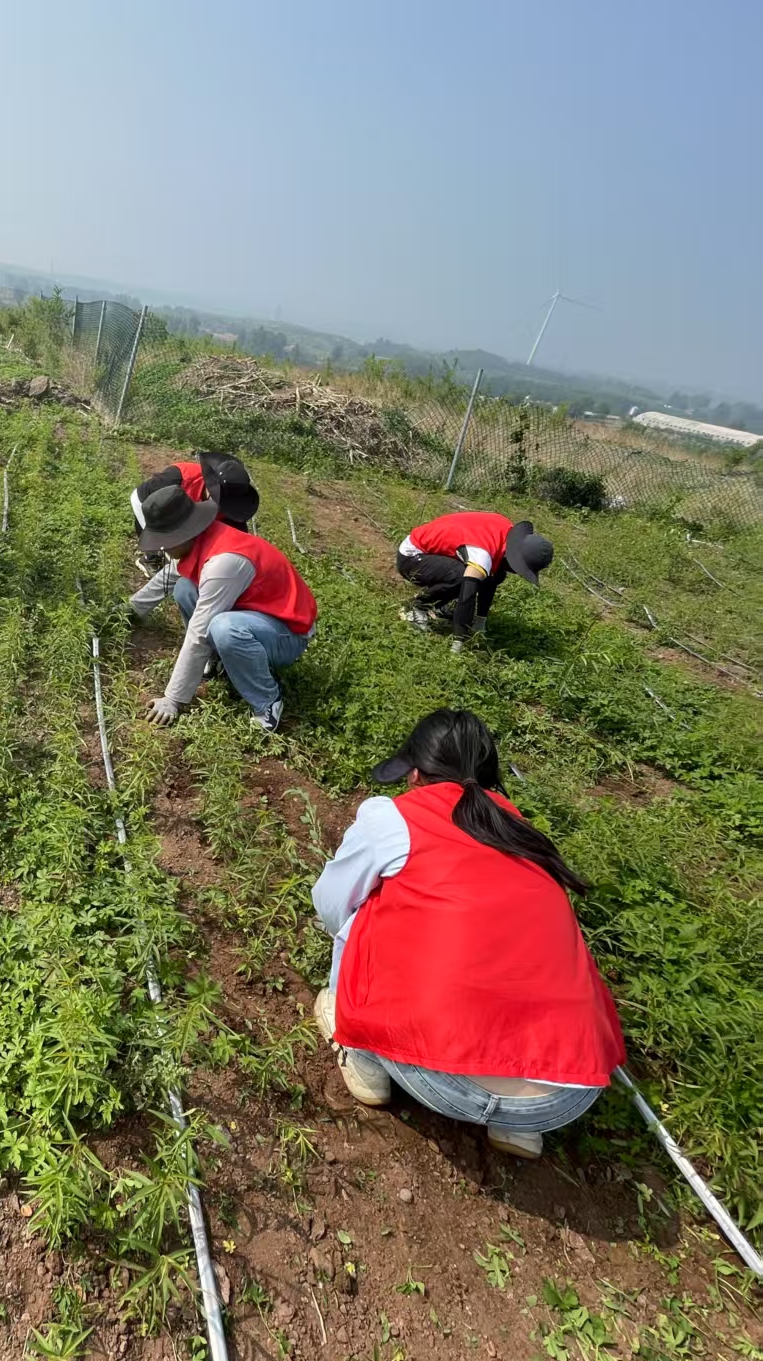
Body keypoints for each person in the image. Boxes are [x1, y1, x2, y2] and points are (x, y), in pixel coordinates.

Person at [311, 709, 624, 1159]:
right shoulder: (520, 831)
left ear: (414, 773)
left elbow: (330, 903)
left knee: (369, 908)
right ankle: (516, 1129)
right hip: (565, 1097)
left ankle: (363, 1055)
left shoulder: (395, 818)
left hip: (444, 1082)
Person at [131, 484, 317, 734]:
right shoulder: (202, 539)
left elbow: (199, 632)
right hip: (253, 616)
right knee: (184, 588)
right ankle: (218, 659)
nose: (163, 549)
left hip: (287, 634)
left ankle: (267, 702)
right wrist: (129, 610)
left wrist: (172, 699)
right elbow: (169, 576)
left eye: (165, 543)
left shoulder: (224, 562)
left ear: (182, 535)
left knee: (223, 628)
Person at [395, 510, 553, 649]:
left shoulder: (505, 531)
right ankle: (416, 607)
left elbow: (492, 579)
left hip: (436, 554)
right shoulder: (482, 554)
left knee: (493, 575)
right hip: (412, 558)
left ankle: (437, 608)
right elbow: (468, 594)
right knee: (461, 577)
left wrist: (480, 621)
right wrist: (459, 642)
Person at [130, 452, 260, 582]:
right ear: (210, 485)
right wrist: (161, 542)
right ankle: (151, 559)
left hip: (195, 526)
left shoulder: (235, 508)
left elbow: (236, 541)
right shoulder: (177, 478)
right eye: (218, 499)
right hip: (170, 516)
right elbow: (137, 498)